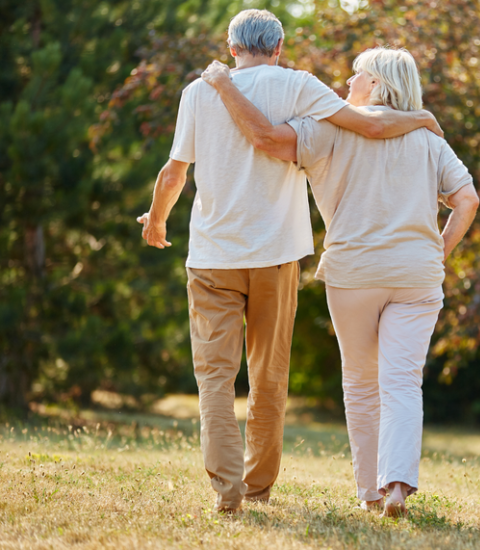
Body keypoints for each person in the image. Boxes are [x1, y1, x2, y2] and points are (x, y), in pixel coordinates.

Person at [137, 10, 444, 514]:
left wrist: (156, 219)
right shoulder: (300, 85)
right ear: (279, 45)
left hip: (213, 256)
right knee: (268, 376)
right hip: (276, 256)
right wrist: (422, 119)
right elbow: (367, 124)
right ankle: (257, 487)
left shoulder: (198, 92)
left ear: (231, 47)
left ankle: (226, 490)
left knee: (214, 378)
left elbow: (175, 171)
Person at [201, 47, 479, 517]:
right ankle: (396, 487)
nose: (346, 83)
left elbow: (268, 141)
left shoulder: (327, 128)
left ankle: (369, 494)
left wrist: (225, 87)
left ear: (375, 84)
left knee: (361, 384)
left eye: (356, 75)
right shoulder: (429, 136)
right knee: (404, 383)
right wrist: (439, 250)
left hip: (354, 273)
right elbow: (466, 199)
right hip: (417, 274)